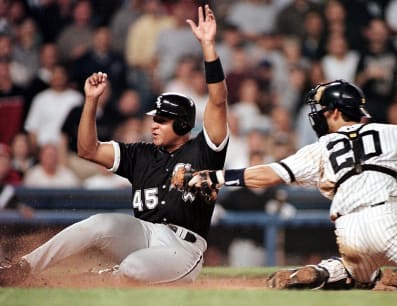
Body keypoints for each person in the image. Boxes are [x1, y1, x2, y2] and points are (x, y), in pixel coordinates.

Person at [0, 4, 228, 286]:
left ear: (182, 125)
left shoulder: (203, 153)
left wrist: (208, 46)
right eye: (153, 118)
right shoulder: (141, 154)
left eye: (162, 120)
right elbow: (88, 150)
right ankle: (23, 268)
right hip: (143, 232)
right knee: (99, 223)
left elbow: (218, 102)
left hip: (183, 248)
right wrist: (91, 101)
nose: (154, 124)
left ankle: (103, 278)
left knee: (133, 268)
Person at [179, 80, 397, 292]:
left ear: (336, 112)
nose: (318, 115)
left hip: (348, 230)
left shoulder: (320, 148)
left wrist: (217, 177)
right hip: (388, 219)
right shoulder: (387, 131)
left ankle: (323, 272)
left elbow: (270, 174)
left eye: (321, 109)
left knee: (360, 275)